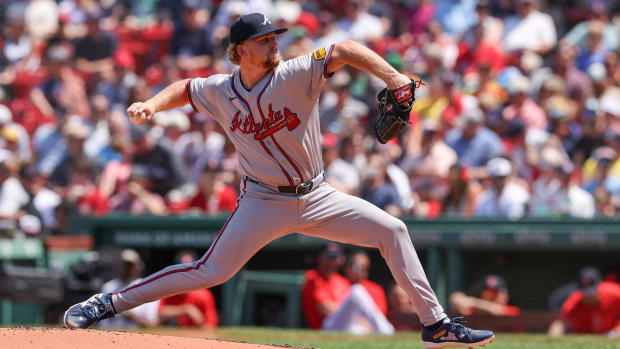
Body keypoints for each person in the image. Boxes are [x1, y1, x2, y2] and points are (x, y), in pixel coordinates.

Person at [64, 13, 494, 348]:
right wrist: (153, 106)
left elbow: (343, 49)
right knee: (209, 271)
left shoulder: (294, 73)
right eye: (264, 40)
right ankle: (107, 303)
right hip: (262, 203)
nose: (274, 44)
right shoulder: (220, 90)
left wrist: (396, 79)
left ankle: (435, 325)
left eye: (275, 38)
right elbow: (187, 88)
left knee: (392, 230)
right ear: (240, 51)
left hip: (319, 194)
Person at [302, 244, 393, 334]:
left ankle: (383, 332)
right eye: (329, 257)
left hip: (346, 326)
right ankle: (385, 331)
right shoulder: (313, 277)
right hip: (325, 328)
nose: (332, 261)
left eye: (335, 257)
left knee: (362, 330)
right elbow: (325, 309)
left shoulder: (341, 281)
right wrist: (355, 316)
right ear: (320, 258)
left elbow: (349, 308)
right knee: (356, 290)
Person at [548, 267, 620, 337]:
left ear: (599, 285)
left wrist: (614, 333)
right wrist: (553, 338)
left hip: (611, 335)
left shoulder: (614, 293)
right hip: (584, 337)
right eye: (585, 293)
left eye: (591, 292)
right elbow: (560, 323)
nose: (588, 296)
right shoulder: (574, 302)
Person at [98, 249, 160, 328]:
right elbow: (99, 320)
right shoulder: (108, 287)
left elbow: (153, 323)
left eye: (130, 265)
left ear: (138, 266)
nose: (126, 268)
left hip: (134, 336)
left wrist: (131, 316)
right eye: (124, 264)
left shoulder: (146, 287)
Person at [450, 275, 520, 317]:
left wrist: (473, 302)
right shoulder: (476, 310)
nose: (493, 297)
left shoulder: (512, 310)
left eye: (495, 293)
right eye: (488, 293)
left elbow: (496, 310)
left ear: (505, 296)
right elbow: (455, 298)